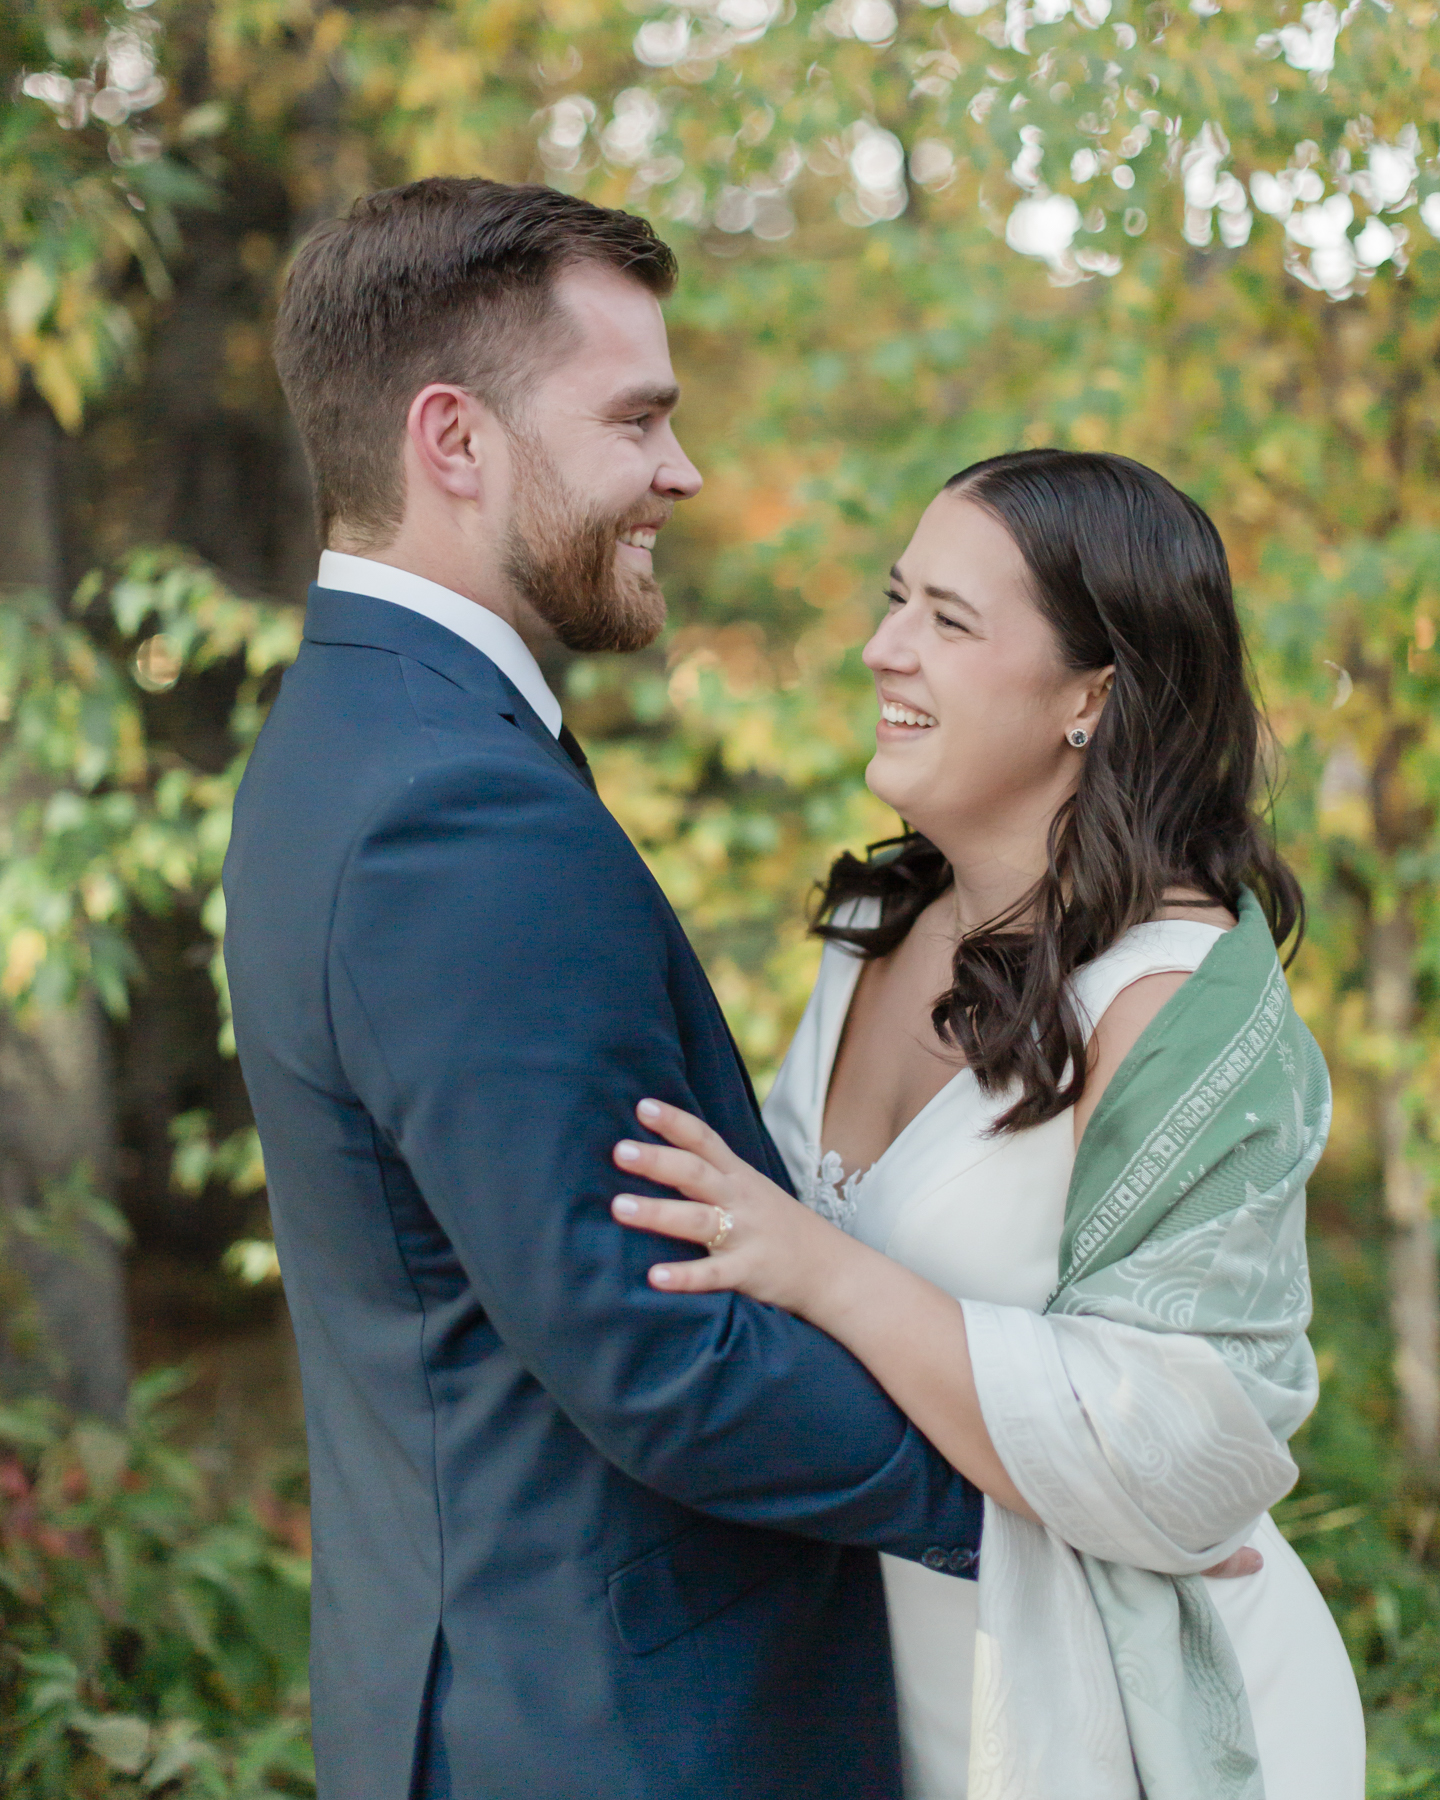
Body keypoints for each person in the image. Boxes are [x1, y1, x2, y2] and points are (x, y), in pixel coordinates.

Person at [221, 176, 991, 1800]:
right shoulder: (454, 807)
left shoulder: (365, 737)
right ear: (457, 441)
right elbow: (658, 1356)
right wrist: (1041, 1486)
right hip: (608, 1732)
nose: (682, 473)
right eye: (638, 419)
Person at [610, 450, 1367, 1800]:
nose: (880, 648)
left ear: (1093, 694)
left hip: (1138, 1729)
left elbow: (1196, 1451)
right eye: (896, 600)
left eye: (948, 623)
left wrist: (821, 1268)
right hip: (891, 1686)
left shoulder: (1175, 1011)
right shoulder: (874, 931)